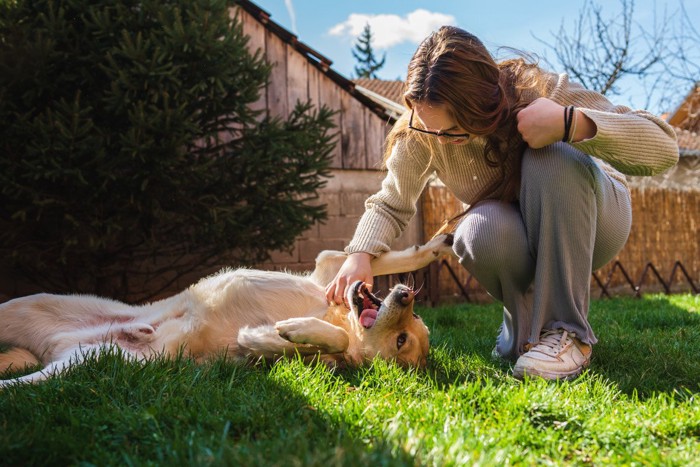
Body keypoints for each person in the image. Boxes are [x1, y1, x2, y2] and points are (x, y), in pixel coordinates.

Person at [325, 26, 679, 380]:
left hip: (595, 218)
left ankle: (569, 334)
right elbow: (392, 202)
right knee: (479, 231)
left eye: (454, 132)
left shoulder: (538, 91)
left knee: (550, 157)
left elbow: (664, 148)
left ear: (483, 106)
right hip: (524, 228)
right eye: (430, 129)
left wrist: (568, 123)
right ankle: (524, 331)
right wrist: (359, 255)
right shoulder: (423, 131)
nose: (442, 142)